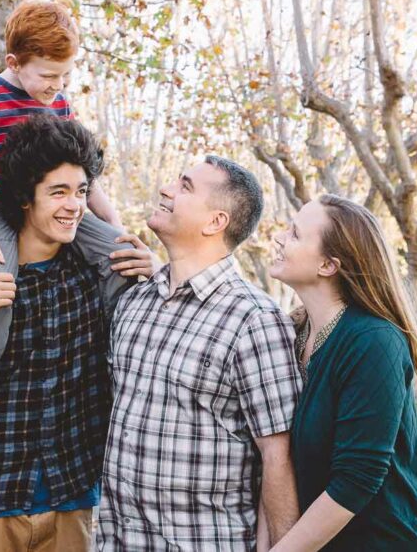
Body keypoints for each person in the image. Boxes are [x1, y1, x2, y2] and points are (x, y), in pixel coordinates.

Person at [0, 116, 155, 551]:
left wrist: (156, 271)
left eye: (81, 191)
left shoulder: (94, 275)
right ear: (25, 197)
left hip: (73, 499)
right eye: (58, 192)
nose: (74, 205)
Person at [0, 0, 130, 460]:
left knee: (120, 255)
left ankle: (117, 357)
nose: (57, 86)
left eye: (64, 75)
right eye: (48, 75)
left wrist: (114, 223)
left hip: (52, 203)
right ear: (14, 62)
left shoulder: (59, 103)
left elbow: (82, 174)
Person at [98, 156, 302, 551]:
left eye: (185, 186)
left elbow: (279, 458)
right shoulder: (134, 302)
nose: (167, 189)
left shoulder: (254, 320)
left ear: (215, 222)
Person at [267, 195, 417, 551]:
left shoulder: (374, 341)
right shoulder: (293, 332)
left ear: (328, 265)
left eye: (294, 234)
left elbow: (357, 479)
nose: (279, 238)